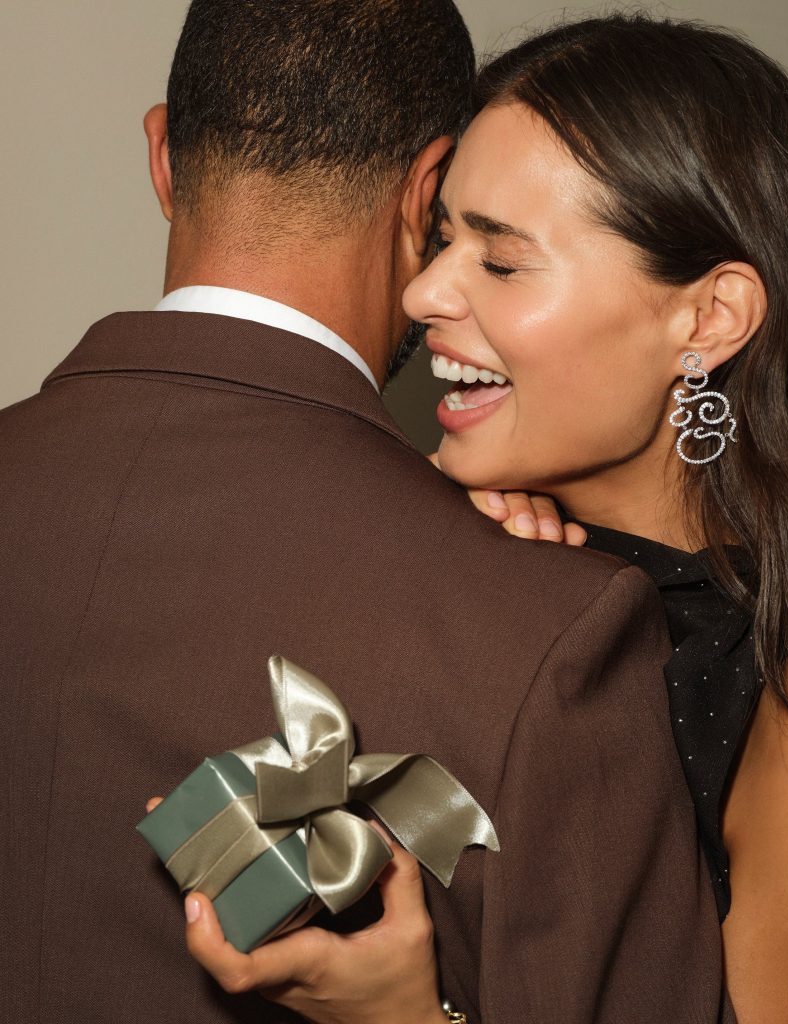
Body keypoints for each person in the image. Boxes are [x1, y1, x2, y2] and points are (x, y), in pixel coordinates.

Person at [0, 4, 728, 1024]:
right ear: (423, 194)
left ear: (163, 158)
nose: (440, 292)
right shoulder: (542, 626)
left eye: (502, 258)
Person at [178, 12, 788, 1024]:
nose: (419, 290)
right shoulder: (433, 547)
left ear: (707, 319)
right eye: (441, 234)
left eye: (499, 262)